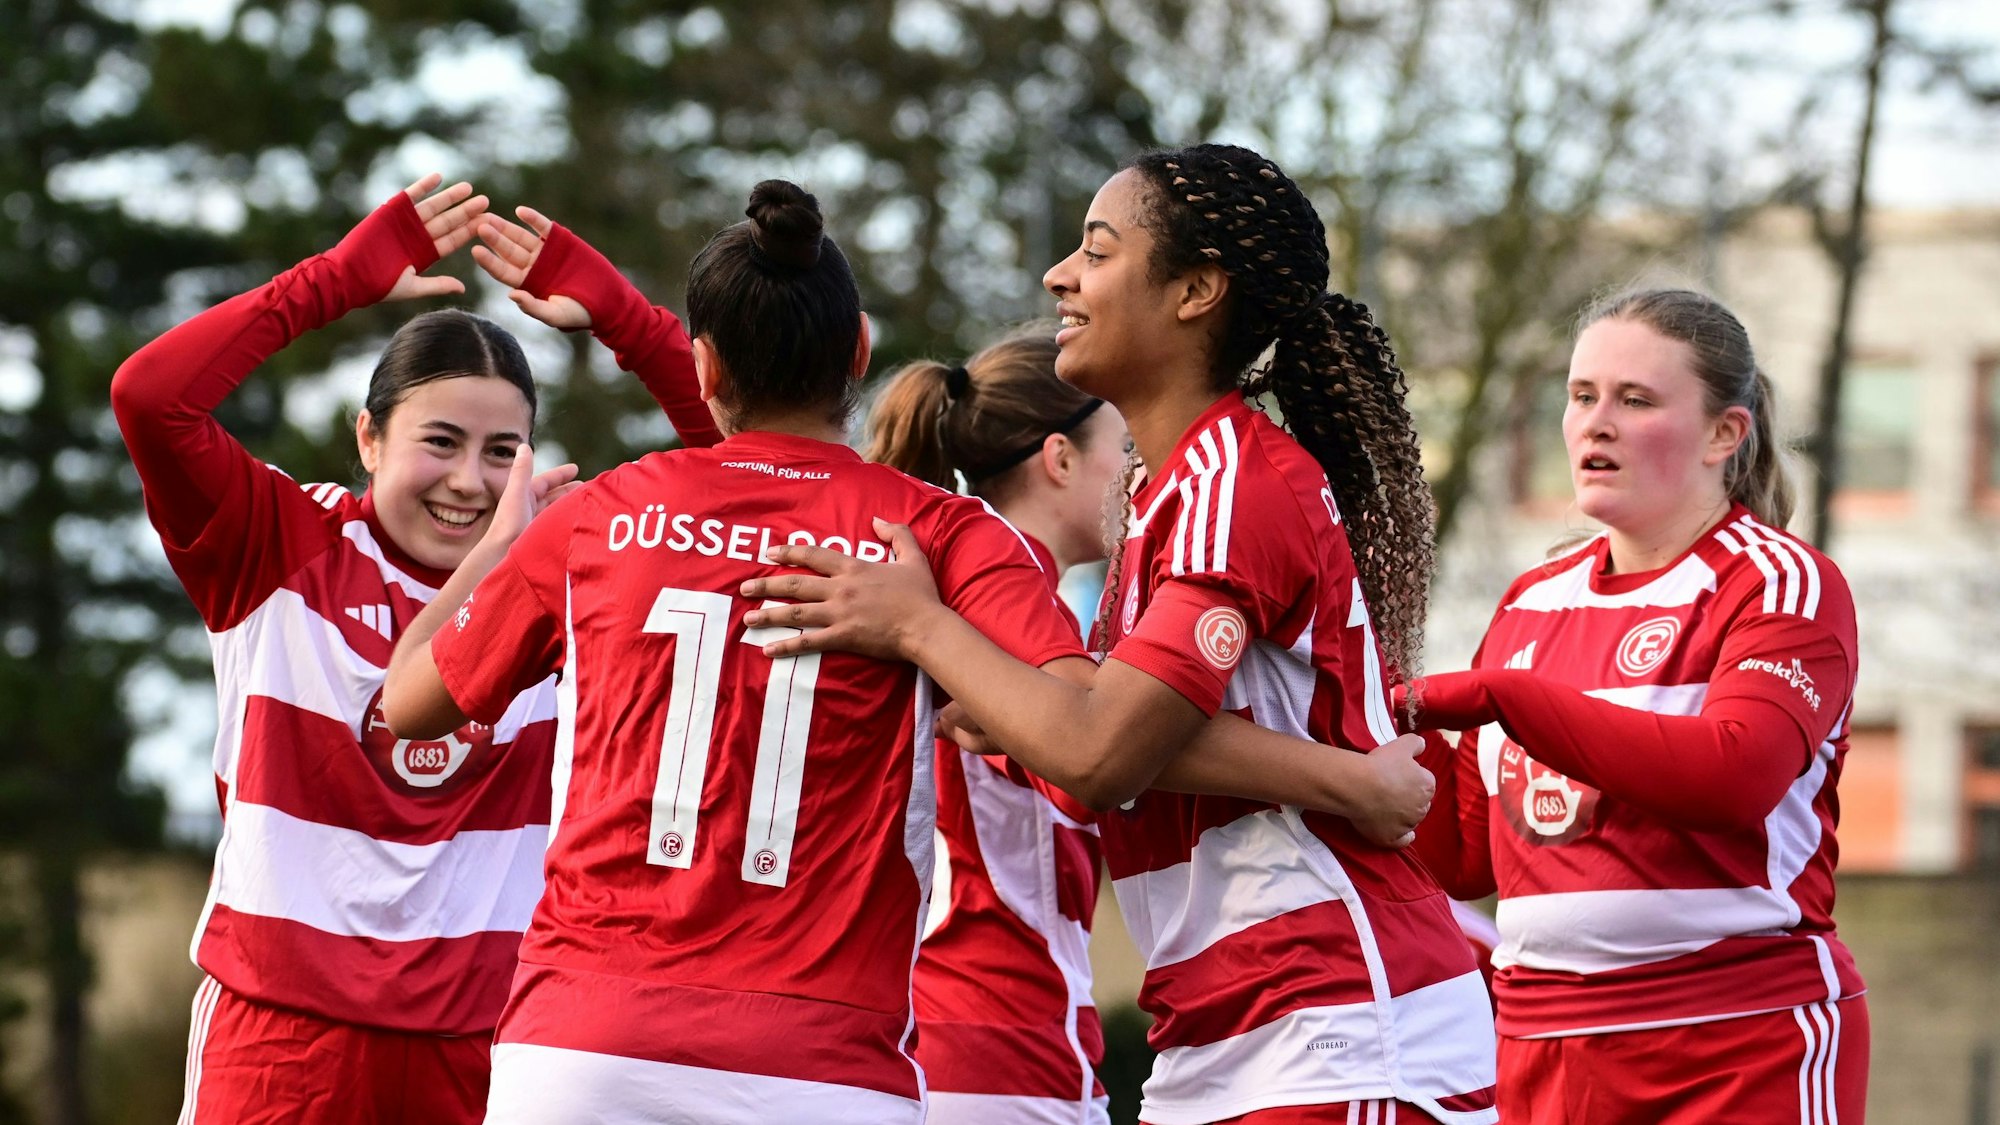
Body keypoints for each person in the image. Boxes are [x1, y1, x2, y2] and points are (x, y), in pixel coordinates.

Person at [739, 144, 1498, 1125]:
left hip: (1334, 1022)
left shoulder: (1233, 481)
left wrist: (923, 629)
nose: (1058, 275)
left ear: (1195, 291)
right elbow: (1102, 738)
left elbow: (1099, 750)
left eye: (1097, 252)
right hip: (1228, 1025)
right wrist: (1039, 710)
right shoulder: (1172, 494)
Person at [114, 173, 719, 1125]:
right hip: (280, 1043)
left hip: (487, 1047)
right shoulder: (275, 542)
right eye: (440, 442)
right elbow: (149, 398)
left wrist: (626, 321)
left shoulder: (566, 578)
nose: (469, 482)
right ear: (368, 436)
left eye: (501, 451)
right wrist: (331, 281)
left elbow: (741, 466)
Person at [1403, 288, 1868, 1123]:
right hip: (1543, 1047)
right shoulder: (1532, 601)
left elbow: (1734, 776)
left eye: (1636, 400)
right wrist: (1358, 718)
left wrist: (1509, 698)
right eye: (1582, 395)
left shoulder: (1779, 581)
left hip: (1736, 1041)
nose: (1597, 423)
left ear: (1724, 434)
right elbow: (1467, 858)